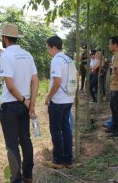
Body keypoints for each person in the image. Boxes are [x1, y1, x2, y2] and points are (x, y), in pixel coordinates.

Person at [0, 22, 39, 183]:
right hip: (25, 104)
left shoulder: (6, 55)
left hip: (11, 106)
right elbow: (35, 80)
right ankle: (28, 175)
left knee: (12, 145)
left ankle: (16, 179)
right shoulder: (27, 54)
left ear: (4, 38)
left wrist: (24, 101)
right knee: (25, 140)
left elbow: (9, 86)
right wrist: (31, 103)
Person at [43, 35, 74, 169]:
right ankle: (68, 160)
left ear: (54, 47)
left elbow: (57, 81)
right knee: (66, 129)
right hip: (68, 99)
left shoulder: (56, 60)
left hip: (58, 100)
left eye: (48, 48)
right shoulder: (68, 59)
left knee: (56, 130)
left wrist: (49, 96)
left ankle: (57, 160)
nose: (47, 51)